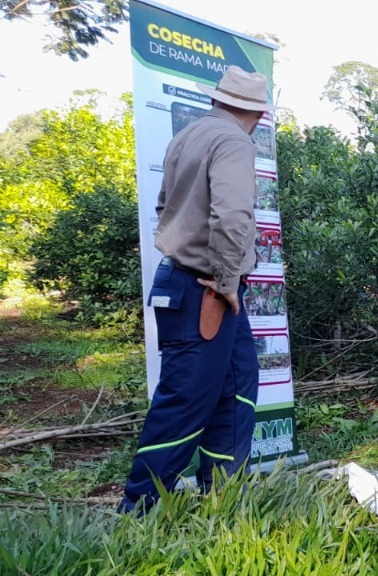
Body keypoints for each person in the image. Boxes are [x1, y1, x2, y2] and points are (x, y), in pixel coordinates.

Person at [118, 65, 272, 514]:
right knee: (185, 403)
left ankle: (222, 498)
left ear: (216, 101)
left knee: (236, 388)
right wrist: (226, 282)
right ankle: (136, 511)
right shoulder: (233, 142)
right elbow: (231, 217)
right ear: (257, 114)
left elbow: (164, 206)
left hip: (185, 280)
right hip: (206, 290)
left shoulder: (186, 137)